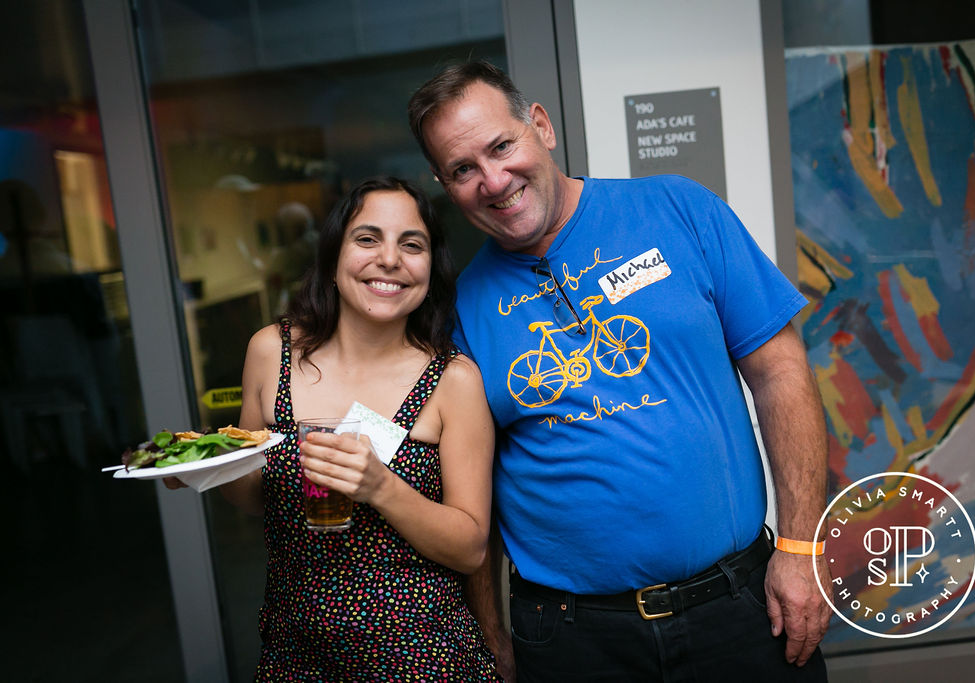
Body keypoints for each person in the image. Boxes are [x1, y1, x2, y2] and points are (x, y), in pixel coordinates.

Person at [407, 61, 832, 682]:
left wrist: (800, 550)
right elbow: (471, 487)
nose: (494, 181)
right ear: (444, 183)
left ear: (541, 127)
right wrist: (492, 634)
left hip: (739, 609)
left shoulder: (678, 208)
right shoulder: (461, 308)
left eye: (502, 146)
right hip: (573, 639)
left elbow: (781, 373)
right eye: (463, 170)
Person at [167, 176, 499, 680]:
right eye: (367, 239)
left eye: (412, 245)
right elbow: (259, 492)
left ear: (431, 266)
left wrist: (381, 487)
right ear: (333, 254)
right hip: (295, 652)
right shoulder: (270, 352)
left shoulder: (454, 380)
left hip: (418, 656)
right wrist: (204, 469)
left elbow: (470, 547)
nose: (389, 259)